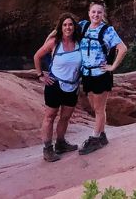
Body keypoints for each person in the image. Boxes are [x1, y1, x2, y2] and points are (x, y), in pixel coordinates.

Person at [77, 0, 127, 155]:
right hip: (87, 74)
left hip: (100, 74)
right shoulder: (83, 26)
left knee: (99, 108)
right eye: (93, 12)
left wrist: (112, 67)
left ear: (103, 14)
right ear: (89, 13)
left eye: (99, 13)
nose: (96, 15)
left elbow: (123, 48)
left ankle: (95, 138)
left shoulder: (107, 30)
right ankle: (102, 134)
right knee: (94, 106)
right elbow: (64, 31)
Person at [33, 13, 83, 163]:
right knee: (50, 116)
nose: (68, 27)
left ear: (74, 27)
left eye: (70, 25)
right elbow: (37, 56)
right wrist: (40, 75)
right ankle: (47, 149)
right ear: (61, 27)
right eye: (65, 25)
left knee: (65, 117)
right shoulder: (55, 42)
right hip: (54, 85)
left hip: (72, 86)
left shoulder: (79, 43)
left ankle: (60, 143)